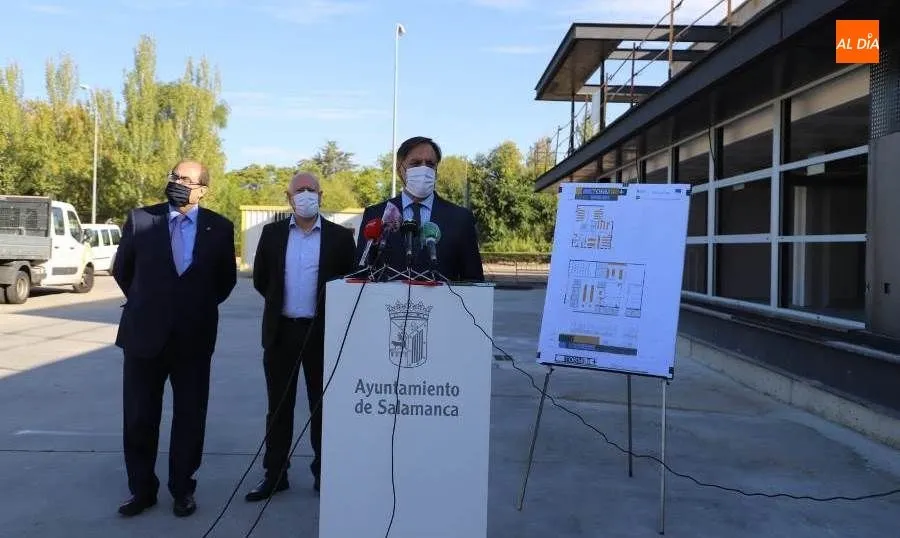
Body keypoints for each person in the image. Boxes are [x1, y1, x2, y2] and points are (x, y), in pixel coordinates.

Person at [111, 159, 237, 518]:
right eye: (173, 176)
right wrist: (150, 303)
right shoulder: (141, 220)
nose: (177, 182)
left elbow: (224, 281)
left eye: (185, 179)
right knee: (139, 417)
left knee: (189, 418)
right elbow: (124, 270)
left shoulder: (220, 227)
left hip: (193, 339)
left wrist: (190, 306)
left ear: (202, 189)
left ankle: (183, 489)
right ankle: (142, 490)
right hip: (143, 336)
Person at [246, 171, 356, 501]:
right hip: (281, 333)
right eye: (300, 190)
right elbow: (262, 280)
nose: (306, 194)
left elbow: (350, 281)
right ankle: (275, 474)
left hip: (322, 335)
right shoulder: (273, 234)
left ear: (321, 196)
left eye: (312, 190)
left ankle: (324, 473)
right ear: (288, 197)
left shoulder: (339, 237)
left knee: (322, 408)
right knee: (278, 408)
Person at [356, 136, 484, 282]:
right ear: (400, 169)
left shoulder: (461, 218)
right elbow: (360, 273)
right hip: (389, 303)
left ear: (436, 170)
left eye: (430, 164)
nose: (424, 169)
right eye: (415, 163)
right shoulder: (375, 215)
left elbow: (474, 280)